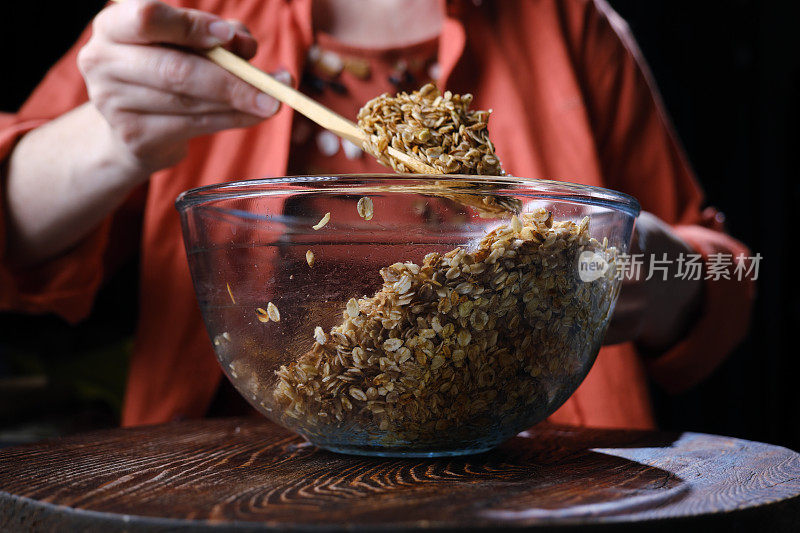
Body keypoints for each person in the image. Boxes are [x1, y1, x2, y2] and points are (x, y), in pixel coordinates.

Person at [0, 0, 753, 428]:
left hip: (537, 480)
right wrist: (109, 139)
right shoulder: (192, 17)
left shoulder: (569, 23)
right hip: (229, 488)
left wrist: (658, 266)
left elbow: (729, 270)